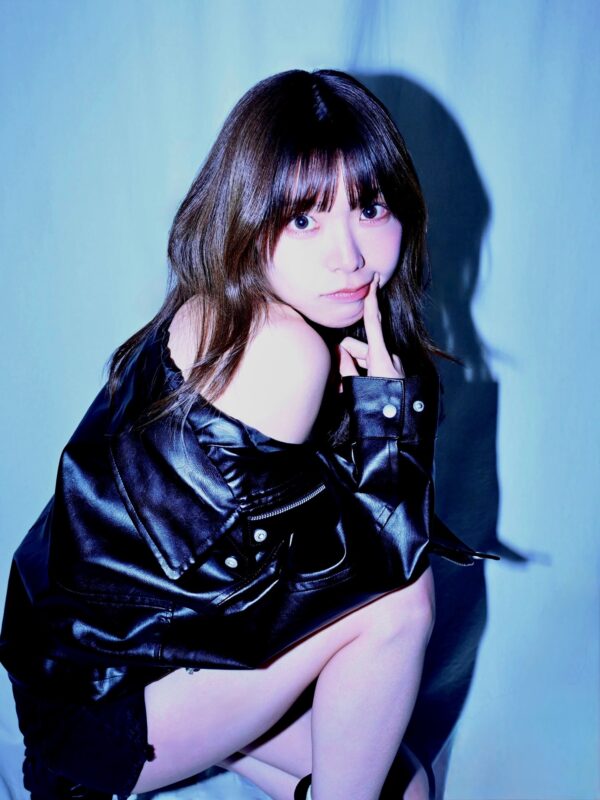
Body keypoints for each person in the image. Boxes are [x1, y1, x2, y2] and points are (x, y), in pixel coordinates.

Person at [0, 68, 498, 800]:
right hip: (108, 697)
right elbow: (366, 573)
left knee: (408, 786)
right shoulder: (284, 351)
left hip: (104, 653)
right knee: (399, 606)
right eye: (304, 219)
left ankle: (225, 750)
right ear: (246, 214)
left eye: (369, 207)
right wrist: (386, 422)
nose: (349, 255)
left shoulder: (230, 304)